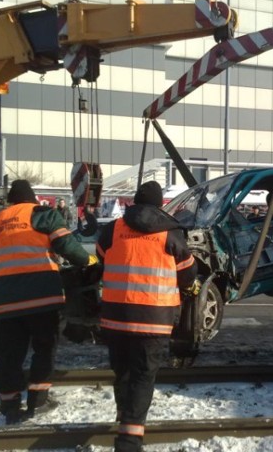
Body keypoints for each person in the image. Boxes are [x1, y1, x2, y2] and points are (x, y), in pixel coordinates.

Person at [96, 180, 197, 452]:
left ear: (134, 202)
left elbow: (101, 256)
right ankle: (129, 440)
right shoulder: (170, 232)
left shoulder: (114, 228)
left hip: (116, 318)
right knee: (143, 376)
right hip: (153, 320)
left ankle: (124, 415)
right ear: (160, 203)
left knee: (123, 371)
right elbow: (188, 272)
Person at [0, 180, 97, 424]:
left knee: (10, 354)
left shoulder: (0, 220)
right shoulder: (42, 215)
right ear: (32, 198)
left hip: (7, 303)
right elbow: (67, 246)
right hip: (42, 297)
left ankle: (9, 403)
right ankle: (38, 401)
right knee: (44, 348)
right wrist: (87, 260)